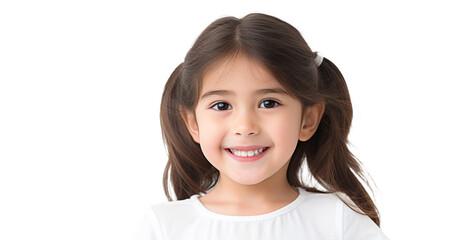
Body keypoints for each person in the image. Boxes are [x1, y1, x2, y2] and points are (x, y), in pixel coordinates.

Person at [133, 13, 389, 239]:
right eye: (222, 106)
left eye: (268, 103)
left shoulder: (337, 219)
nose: (245, 126)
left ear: (308, 120)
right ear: (192, 123)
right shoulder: (165, 226)